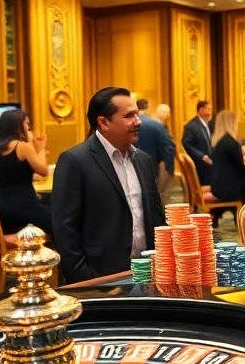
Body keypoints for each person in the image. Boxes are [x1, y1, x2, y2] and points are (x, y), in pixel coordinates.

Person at [52, 88, 167, 283]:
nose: (138, 122)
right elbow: (65, 230)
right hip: (101, 277)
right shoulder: (75, 161)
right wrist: (84, 279)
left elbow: (155, 217)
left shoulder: (143, 160)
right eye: (129, 116)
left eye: (137, 114)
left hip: (148, 274)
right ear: (104, 122)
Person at [0, 109, 52, 235]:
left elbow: (12, 172)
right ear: (20, 125)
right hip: (25, 210)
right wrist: (41, 148)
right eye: (26, 123)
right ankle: (57, 254)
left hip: (3, 211)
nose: (28, 127)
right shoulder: (23, 147)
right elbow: (43, 171)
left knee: (49, 200)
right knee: (61, 219)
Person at [134, 97, 176, 200]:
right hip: (155, 174)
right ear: (147, 107)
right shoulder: (157, 125)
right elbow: (169, 149)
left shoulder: (125, 125)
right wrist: (168, 173)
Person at [209, 109, 245, 211]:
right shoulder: (230, 143)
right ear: (230, 123)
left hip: (218, 185)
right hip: (228, 189)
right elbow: (241, 168)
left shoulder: (219, 142)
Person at [182, 100, 215, 187]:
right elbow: (186, 143)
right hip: (200, 164)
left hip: (211, 162)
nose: (210, 111)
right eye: (208, 109)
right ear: (201, 110)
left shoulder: (210, 123)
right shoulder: (191, 126)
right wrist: (202, 156)